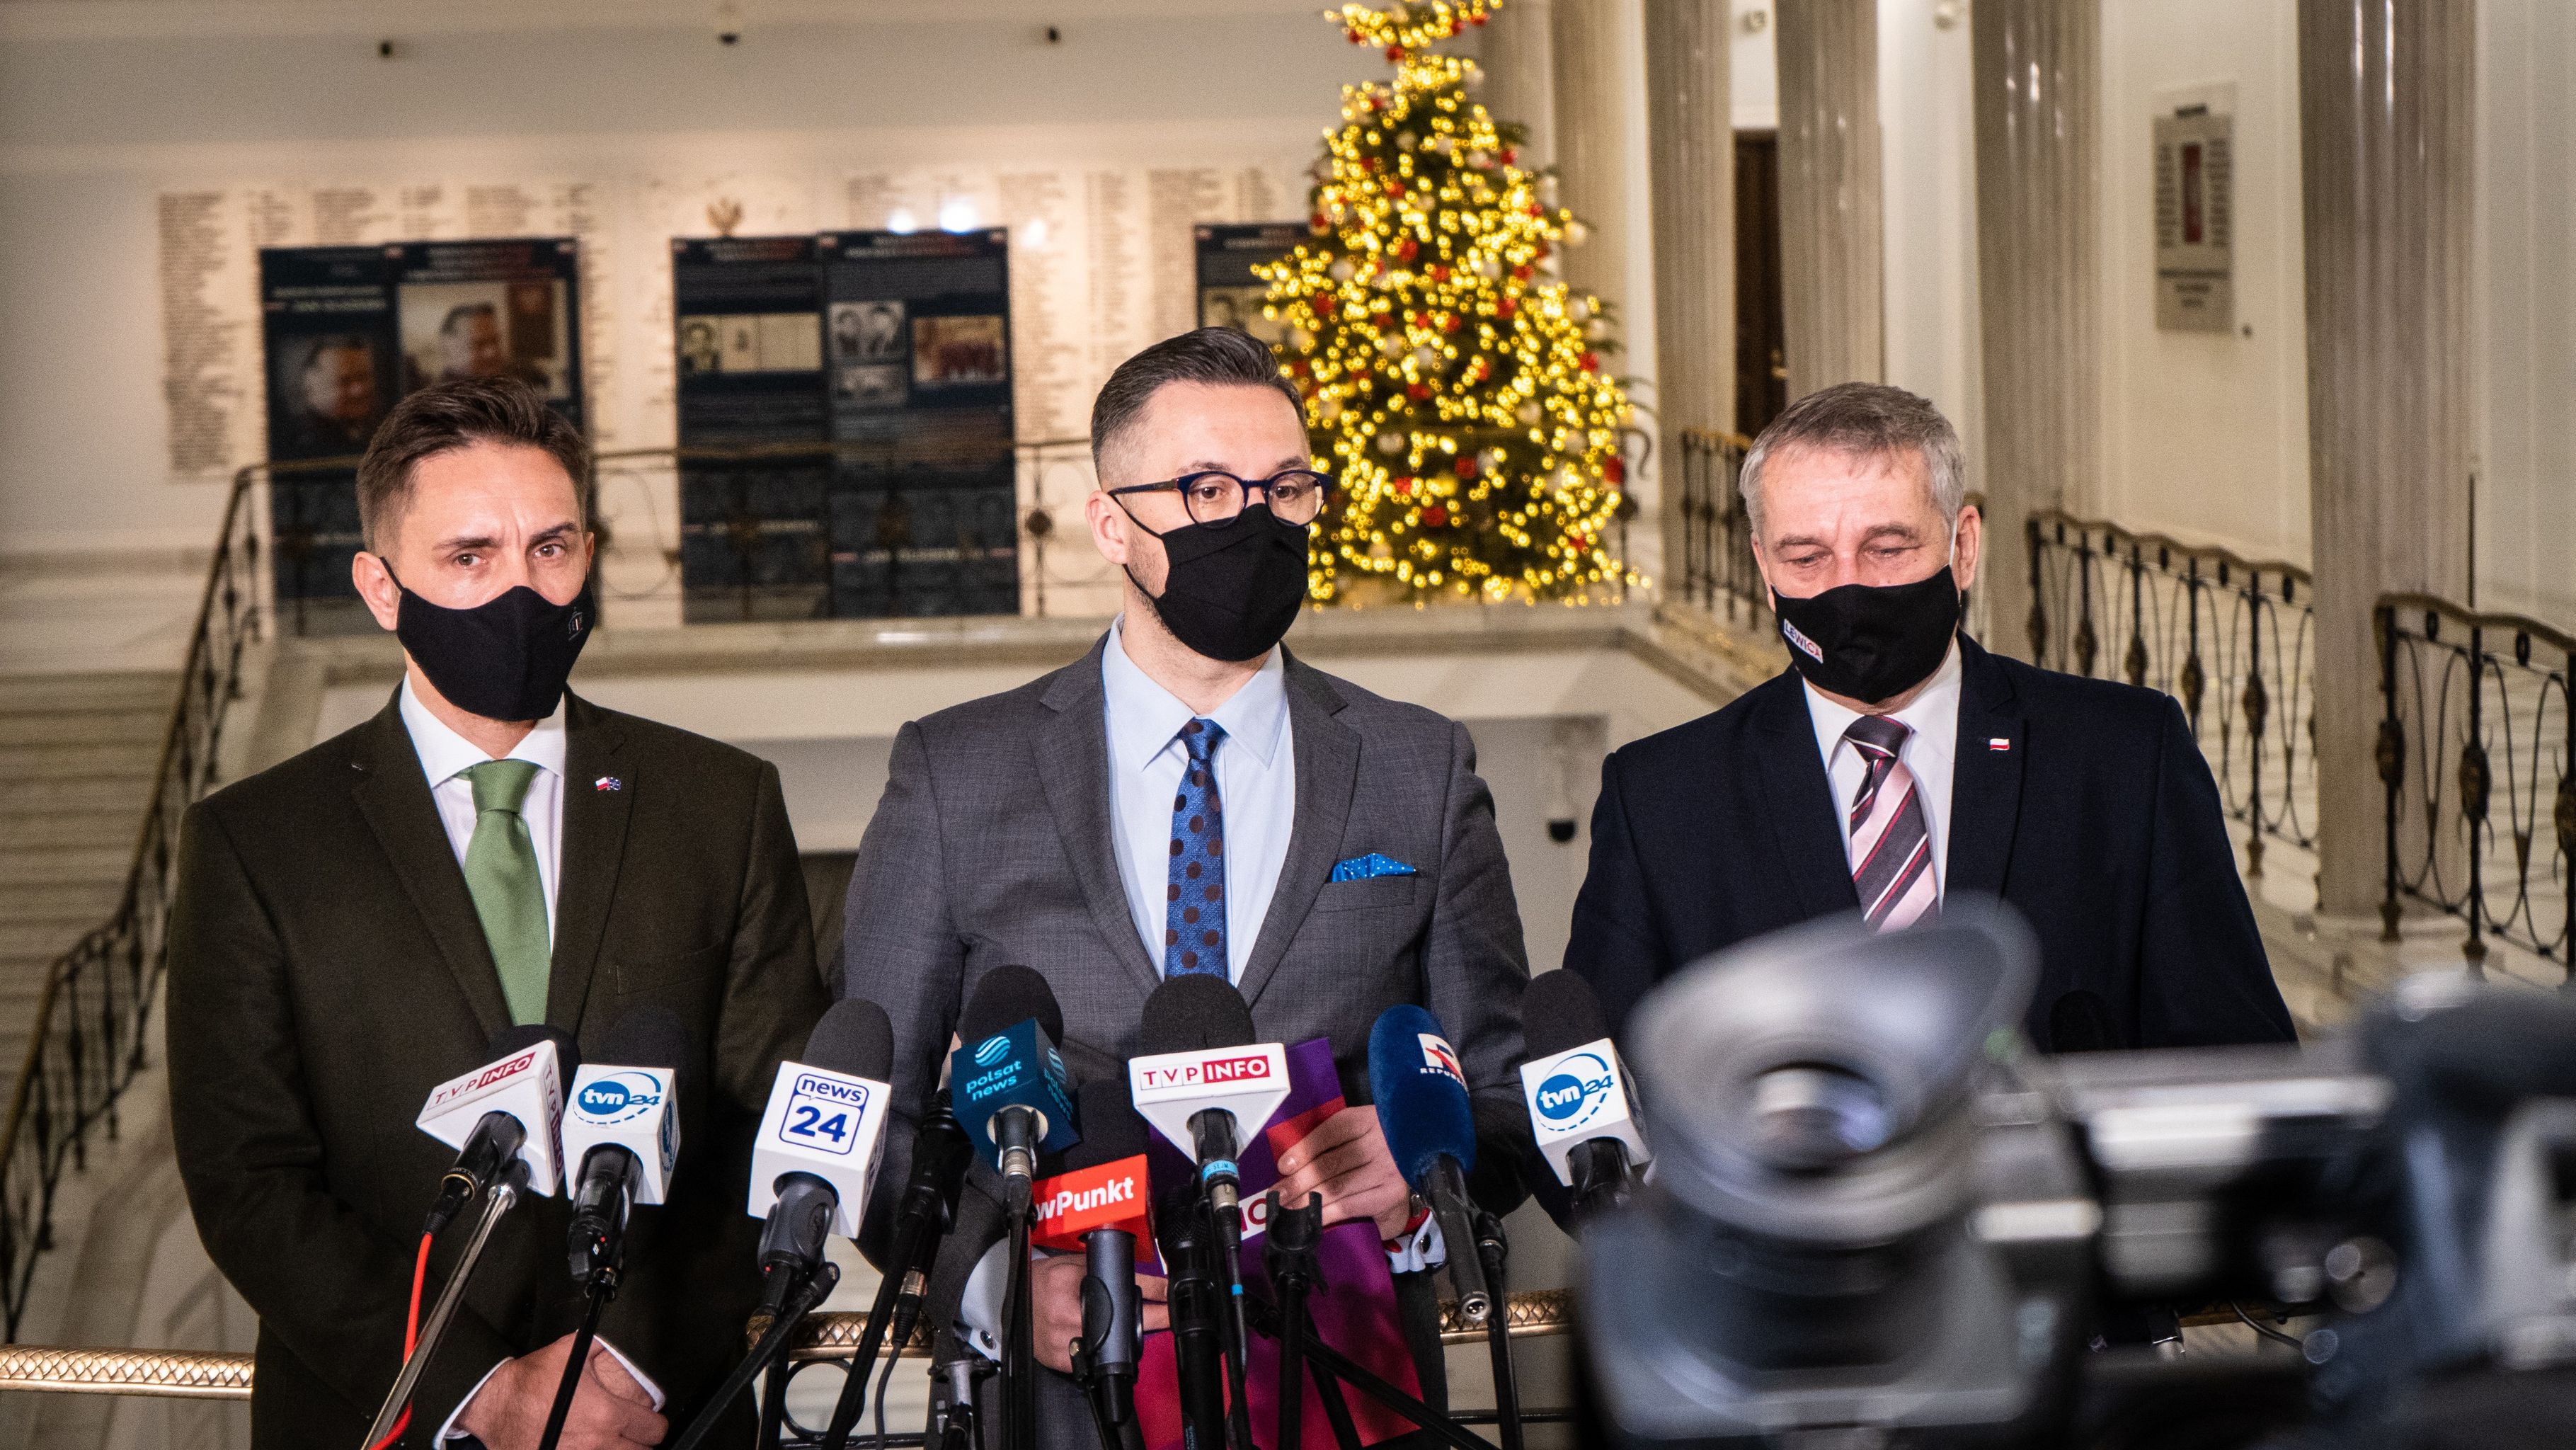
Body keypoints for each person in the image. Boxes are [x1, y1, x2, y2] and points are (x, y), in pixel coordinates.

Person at [839, 326, 1534, 1442]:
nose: (1253, 524)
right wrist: (997, 1288)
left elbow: (1499, 1089)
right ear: (1109, 522)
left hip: (1347, 1377)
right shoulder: (953, 773)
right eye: (1205, 489)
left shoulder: (1420, 766)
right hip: (1066, 1400)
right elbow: (875, 1116)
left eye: (1285, 489)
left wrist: (1423, 1169)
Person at [168, 377, 830, 1449]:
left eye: (550, 548)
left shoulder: (720, 803)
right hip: (388, 1415)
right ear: (381, 589)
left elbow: (772, 1121)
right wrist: (480, 1388)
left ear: (588, 554)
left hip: (655, 1413)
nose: (521, 589)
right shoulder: (255, 841)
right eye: (469, 556)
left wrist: (619, 1365)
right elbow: (247, 1179)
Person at [1564, 382, 2296, 1052]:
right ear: (1763, 566)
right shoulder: (1662, 798)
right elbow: (1603, 1099)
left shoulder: (2127, 757)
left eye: (1886, 548)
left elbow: (2239, 1061)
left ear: (1963, 546)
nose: (1847, 589)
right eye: (1806, 558)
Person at [274, 334, 382, 459]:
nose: (359, 390)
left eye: (364, 377)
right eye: (344, 381)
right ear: (311, 389)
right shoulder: (303, 442)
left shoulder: (374, 426)